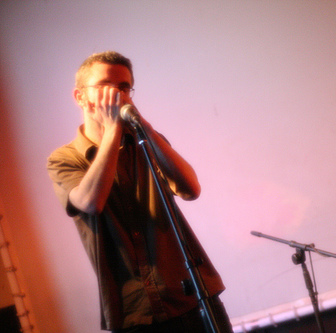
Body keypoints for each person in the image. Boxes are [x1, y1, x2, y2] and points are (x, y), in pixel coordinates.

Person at [47, 51, 232, 332]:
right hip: (135, 312)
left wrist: (143, 125)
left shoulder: (146, 141)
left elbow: (191, 189)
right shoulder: (63, 159)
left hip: (191, 295)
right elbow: (90, 202)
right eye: (106, 85)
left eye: (124, 87)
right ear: (80, 97)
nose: (116, 94)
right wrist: (112, 132)